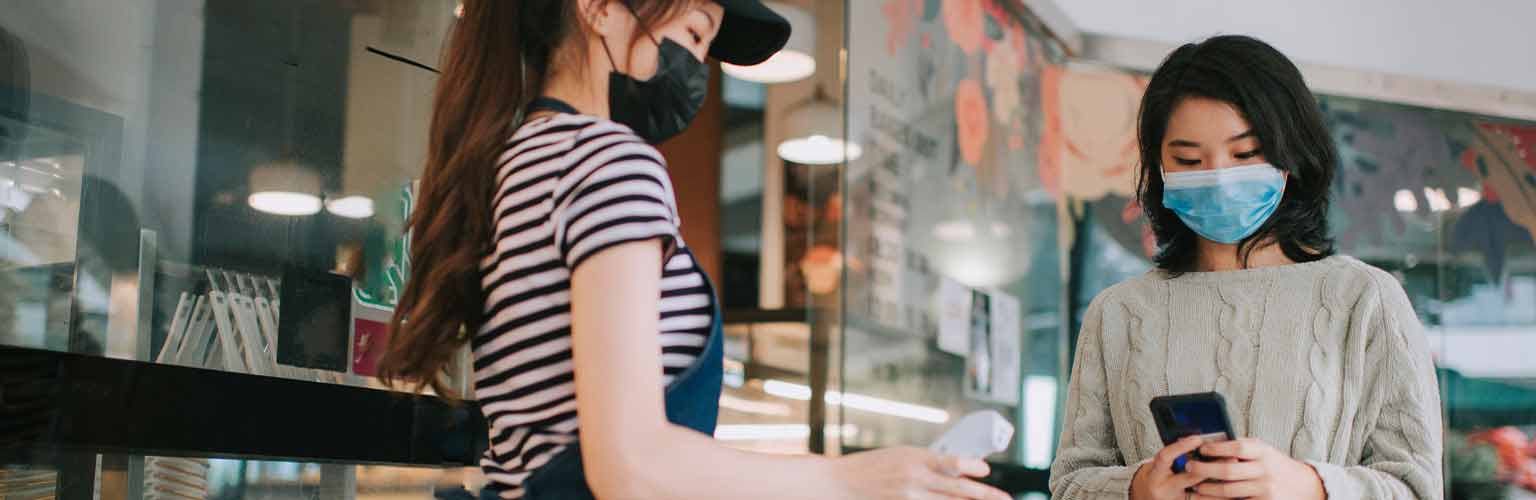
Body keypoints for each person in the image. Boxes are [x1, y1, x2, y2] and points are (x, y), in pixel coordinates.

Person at [378, 1, 1011, 500]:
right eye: (696, 30)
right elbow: (629, 467)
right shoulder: (610, 162)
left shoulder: (513, 162)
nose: (699, 64)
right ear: (600, 8)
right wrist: (851, 481)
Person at [1049, 35, 1443, 500]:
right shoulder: (1117, 312)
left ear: (1291, 156)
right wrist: (1137, 489)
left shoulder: (1364, 298)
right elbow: (1070, 484)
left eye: (1245, 154)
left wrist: (1309, 486)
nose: (1217, 176)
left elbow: (1417, 488)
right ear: (1158, 169)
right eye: (1189, 160)